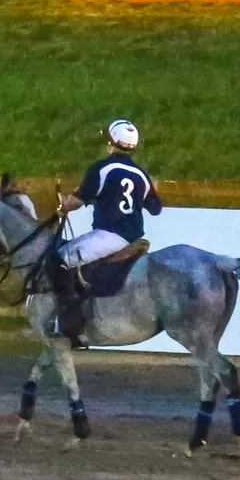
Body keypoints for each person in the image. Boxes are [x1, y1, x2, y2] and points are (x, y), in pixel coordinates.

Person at [51, 119, 163, 338]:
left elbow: (75, 202)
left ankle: (66, 322)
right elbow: (156, 209)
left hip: (109, 235)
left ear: (112, 144)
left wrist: (64, 205)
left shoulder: (101, 168)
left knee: (60, 260)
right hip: (133, 237)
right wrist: (153, 187)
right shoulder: (142, 175)